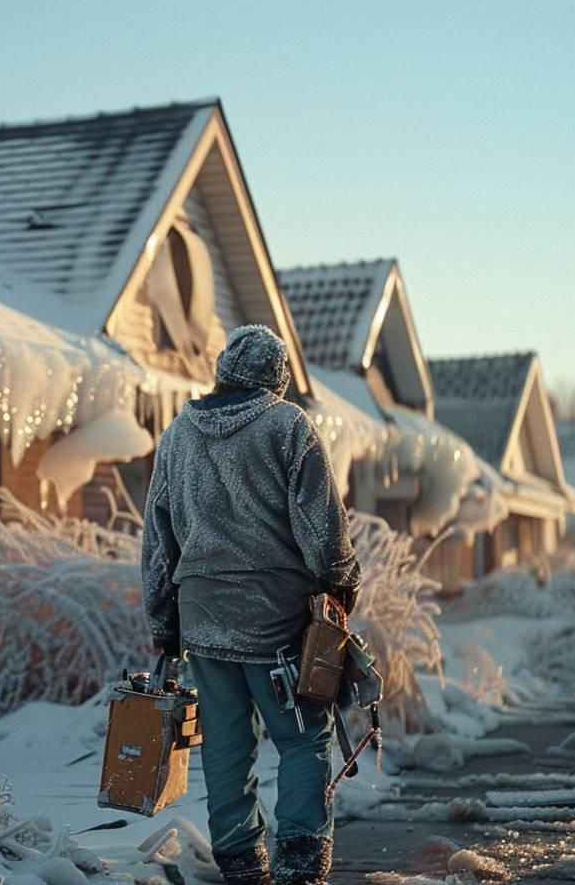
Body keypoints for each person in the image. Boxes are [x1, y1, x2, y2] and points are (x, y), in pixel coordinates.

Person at [141, 324, 361, 885]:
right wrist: (341, 583)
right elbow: (322, 528)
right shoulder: (289, 426)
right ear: (278, 380)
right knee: (303, 739)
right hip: (276, 620)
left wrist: (163, 620)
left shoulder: (177, 435)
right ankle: (299, 862)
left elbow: (157, 537)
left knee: (226, 746)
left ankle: (240, 863)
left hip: (204, 619)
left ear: (222, 372)